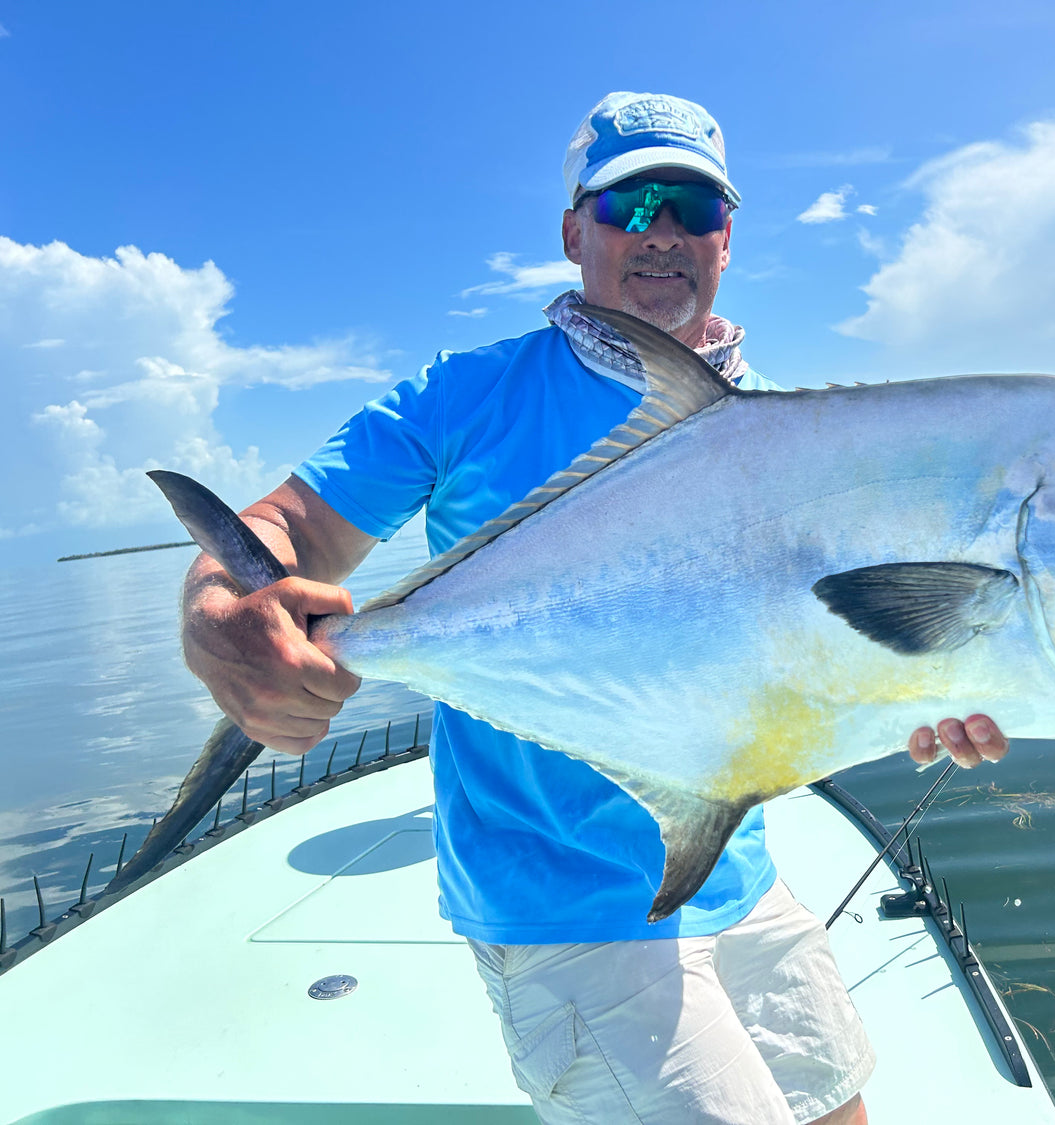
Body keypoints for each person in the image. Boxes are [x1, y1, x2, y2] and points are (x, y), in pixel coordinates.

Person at [178, 91, 1010, 1124]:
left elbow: (831, 643)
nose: (662, 230)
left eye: (694, 206)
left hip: (733, 867)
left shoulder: (801, 433)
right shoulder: (465, 396)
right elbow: (287, 533)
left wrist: (925, 694)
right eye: (630, 202)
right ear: (574, 230)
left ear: (729, 237)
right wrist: (221, 610)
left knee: (842, 1112)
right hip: (559, 907)